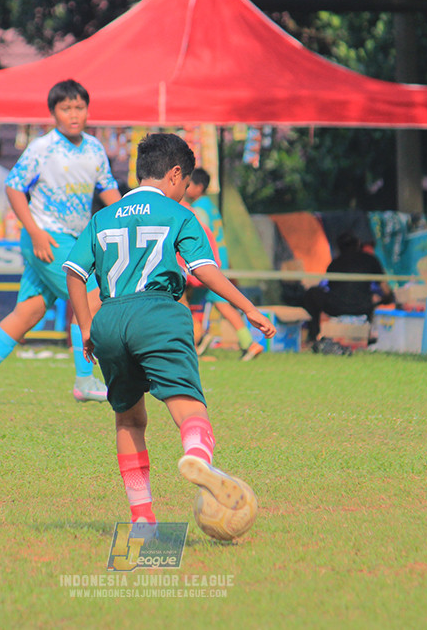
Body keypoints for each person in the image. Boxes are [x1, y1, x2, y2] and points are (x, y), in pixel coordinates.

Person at [63, 132, 276, 524]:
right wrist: (248, 308)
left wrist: (87, 327)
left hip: (109, 320)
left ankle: (142, 518)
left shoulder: (102, 217)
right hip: (159, 314)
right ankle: (196, 458)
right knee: (189, 407)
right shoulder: (180, 215)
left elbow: (74, 274)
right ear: (176, 175)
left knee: (128, 420)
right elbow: (204, 272)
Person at [0, 79, 121, 405]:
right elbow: (14, 188)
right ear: (53, 113)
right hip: (47, 239)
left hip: (74, 239)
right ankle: (85, 380)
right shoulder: (42, 148)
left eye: (79, 107)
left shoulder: (94, 148)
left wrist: (131, 216)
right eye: (66, 108)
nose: (74, 114)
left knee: (29, 312)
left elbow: (108, 189)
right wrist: (34, 232)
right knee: (89, 298)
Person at [183, 168, 265, 361]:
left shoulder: (199, 209)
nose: (186, 188)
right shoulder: (209, 205)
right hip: (216, 258)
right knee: (195, 302)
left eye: (190, 184)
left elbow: (198, 233)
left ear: (199, 187)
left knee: (222, 304)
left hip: (208, 262)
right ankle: (198, 340)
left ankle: (249, 343)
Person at [301, 231, 393, 343]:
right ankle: (369, 336)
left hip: (337, 306)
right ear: (358, 244)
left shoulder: (334, 263)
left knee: (312, 293)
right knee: (380, 298)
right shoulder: (370, 259)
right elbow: (385, 289)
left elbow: (330, 287)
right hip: (363, 306)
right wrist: (386, 299)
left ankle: (313, 336)